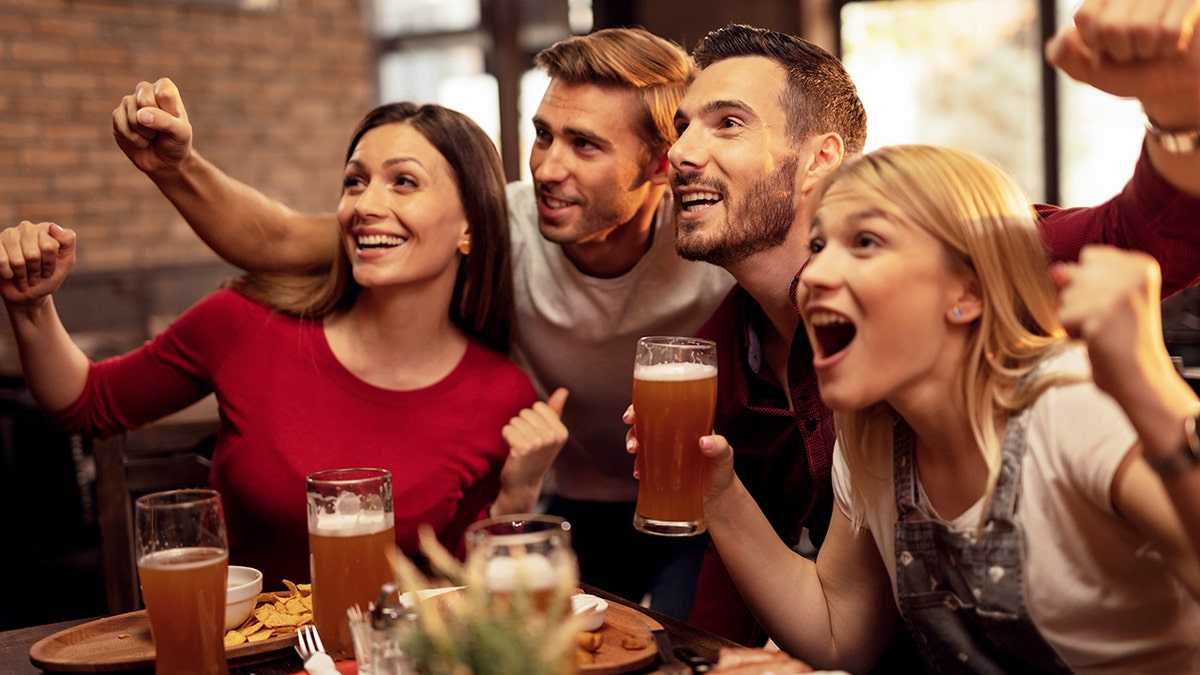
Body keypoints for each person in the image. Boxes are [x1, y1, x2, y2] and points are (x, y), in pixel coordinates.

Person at [108, 28, 734, 618]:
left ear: (661, 165)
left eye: (585, 145)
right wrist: (175, 165)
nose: (545, 168)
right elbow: (275, 238)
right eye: (543, 135)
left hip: (698, 505)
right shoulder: (505, 224)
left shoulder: (711, 246)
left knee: (686, 650)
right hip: (563, 501)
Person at [666, 3, 1200, 648]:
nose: (680, 152)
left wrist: (1178, 112)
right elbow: (838, 629)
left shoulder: (1061, 396)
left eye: (727, 124)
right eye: (680, 128)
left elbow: (1143, 233)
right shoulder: (831, 414)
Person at [0, 102, 558, 590]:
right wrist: (30, 306)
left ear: (471, 229)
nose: (364, 205)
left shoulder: (501, 393)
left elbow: (457, 591)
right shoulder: (244, 322)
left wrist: (519, 493)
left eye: (403, 182)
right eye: (354, 181)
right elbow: (87, 402)